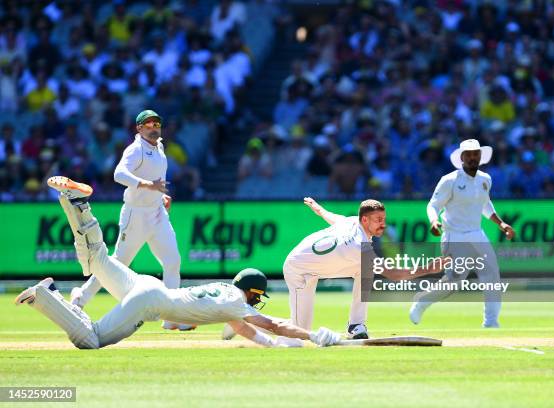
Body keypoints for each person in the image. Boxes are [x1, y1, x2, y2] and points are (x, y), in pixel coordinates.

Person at [14, 177, 341, 349]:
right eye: (257, 296)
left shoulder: (226, 294)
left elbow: (248, 329)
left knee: (98, 258)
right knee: (92, 339)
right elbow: (273, 324)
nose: (256, 301)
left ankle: (77, 204)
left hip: (147, 284)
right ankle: (47, 296)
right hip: (150, 299)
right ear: (252, 292)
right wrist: (312, 336)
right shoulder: (236, 303)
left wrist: (276, 348)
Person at [70, 110, 190, 331]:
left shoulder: (160, 146)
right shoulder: (136, 149)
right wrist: (147, 186)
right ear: (139, 128)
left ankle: (172, 317)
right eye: (149, 124)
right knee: (117, 264)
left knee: (172, 261)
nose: (154, 128)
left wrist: (160, 195)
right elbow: (119, 174)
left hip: (157, 213)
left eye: (157, 124)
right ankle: (80, 298)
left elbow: (156, 179)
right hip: (136, 215)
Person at [271, 197, 445, 345]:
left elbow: (331, 216)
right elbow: (394, 274)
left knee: (364, 268)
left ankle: (356, 325)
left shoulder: (352, 221)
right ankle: (250, 320)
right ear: (364, 220)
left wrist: (317, 208)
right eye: (378, 220)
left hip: (313, 266)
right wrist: (431, 268)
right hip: (298, 270)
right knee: (298, 335)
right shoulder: (359, 247)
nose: (383, 225)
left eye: (383, 219)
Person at [410, 139, 515, 328]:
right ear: (462, 158)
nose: (473, 157)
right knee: (454, 282)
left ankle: (491, 322)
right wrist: (434, 221)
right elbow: (433, 205)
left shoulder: (485, 179)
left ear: (480, 156)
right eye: (469, 154)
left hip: (477, 234)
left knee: (492, 277)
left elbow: (484, 204)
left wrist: (501, 223)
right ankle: (422, 302)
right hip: (454, 235)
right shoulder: (450, 180)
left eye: (476, 154)